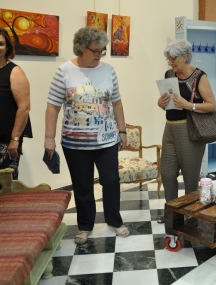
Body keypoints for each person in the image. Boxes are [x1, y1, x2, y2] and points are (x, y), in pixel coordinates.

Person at [44, 27, 129, 245]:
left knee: (111, 181)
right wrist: (49, 138)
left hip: (106, 140)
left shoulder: (109, 70)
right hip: (75, 143)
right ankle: (85, 226)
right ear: (81, 48)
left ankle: (115, 221)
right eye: (95, 50)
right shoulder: (64, 71)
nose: (100, 55)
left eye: (103, 50)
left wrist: (122, 130)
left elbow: (117, 102)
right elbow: (52, 107)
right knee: (82, 185)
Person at [157, 40, 216, 223]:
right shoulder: (169, 74)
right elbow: (169, 103)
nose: (169, 62)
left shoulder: (199, 76)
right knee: (167, 174)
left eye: (172, 58)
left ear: (184, 56)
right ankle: (173, 215)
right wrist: (161, 104)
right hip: (170, 128)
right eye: (168, 58)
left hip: (190, 130)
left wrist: (188, 105)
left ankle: (191, 217)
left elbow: (211, 105)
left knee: (190, 178)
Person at [0, 29, 33, 179]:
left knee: (5, 185)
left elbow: (24, 108)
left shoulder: (14, 72)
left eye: (0, 44)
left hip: (6, 140)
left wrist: (15, 140)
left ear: (7, 47)